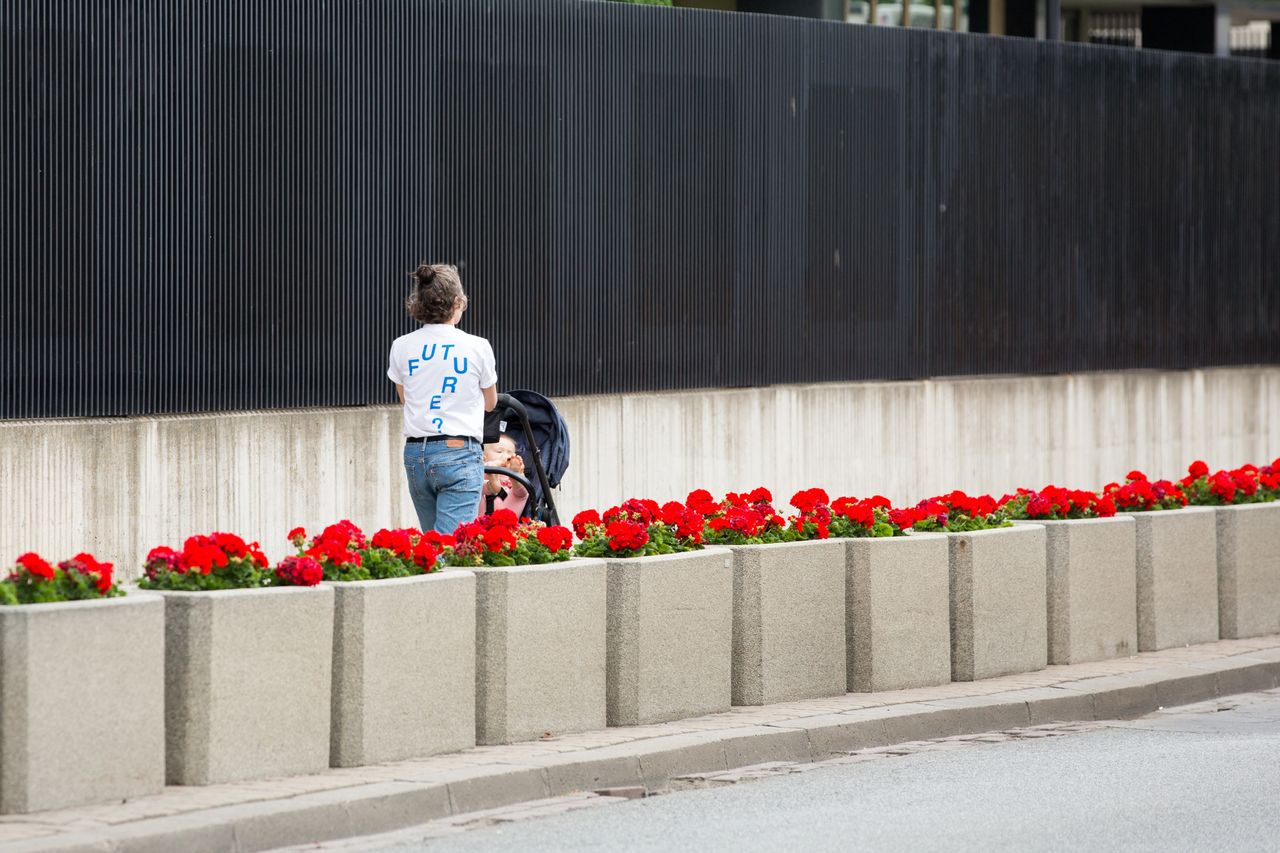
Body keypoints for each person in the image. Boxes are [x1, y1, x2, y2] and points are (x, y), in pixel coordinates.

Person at [387, 263, 498, 534]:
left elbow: (406, 398)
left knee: (433, 545)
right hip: (458, 451)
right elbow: (490, 403)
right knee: (450, 549)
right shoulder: (477, 346)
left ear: (418, 304)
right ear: (458, 302)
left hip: (415, 454)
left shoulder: (401, 345)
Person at [479, 433, 529, 518]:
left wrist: (515, 471)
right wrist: (496, 464)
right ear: (484, 458)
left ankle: (515, 476)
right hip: (483, 500)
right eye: (499, 451)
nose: (506, 456)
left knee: (521, 491)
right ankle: (491, 484)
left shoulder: (511, 473)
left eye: (510, 453)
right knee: (474, 484)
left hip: (509, 504)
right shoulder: (481, 469)